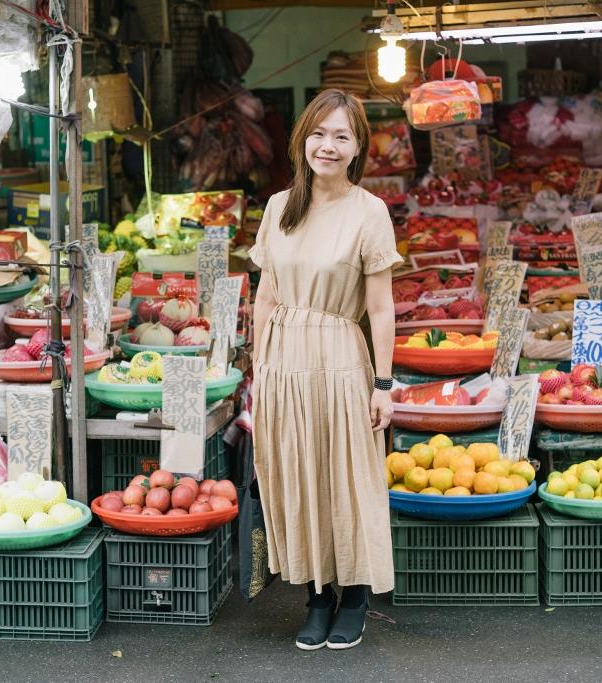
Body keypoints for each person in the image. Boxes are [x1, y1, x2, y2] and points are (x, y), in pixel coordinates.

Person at [248, 89, 401, 651]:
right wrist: (259, 365)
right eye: (318, 133)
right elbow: (265, 296)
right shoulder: (278, 206)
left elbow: (381, 308)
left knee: (348, 477)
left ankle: (355, 594)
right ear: (302, 140)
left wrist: (383, 384)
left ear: (357, 146)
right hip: (283, 360)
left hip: (339, 356)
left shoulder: (369, 212)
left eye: (341, 136)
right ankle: (316, 595)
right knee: (298, 473)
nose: (327, 146)